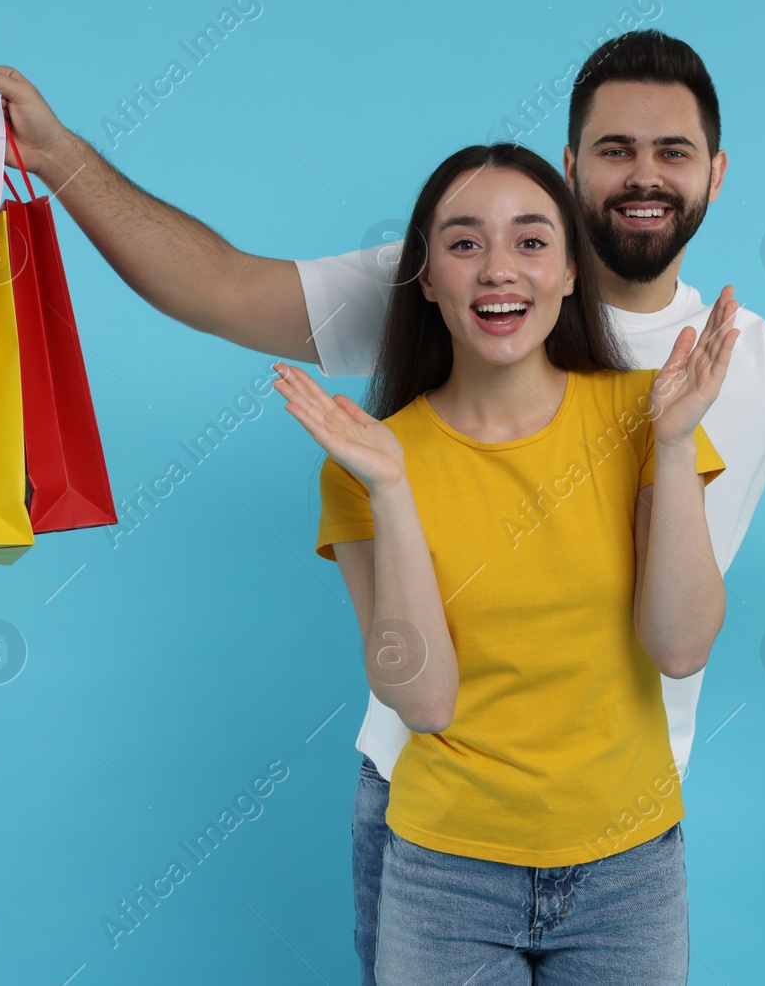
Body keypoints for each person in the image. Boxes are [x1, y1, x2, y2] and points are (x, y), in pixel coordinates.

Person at [0, 28, 765, 983]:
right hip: (434, 803)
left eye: (671, 152)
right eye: (612, 150)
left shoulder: (737, 363)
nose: (642, 177)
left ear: (713, 174)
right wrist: (62, 159)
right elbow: (221, 287)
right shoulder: (453, 286)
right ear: (569, 161)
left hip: (623, 829)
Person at [272, 141, 734, 982]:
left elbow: (680, 647)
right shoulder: (369, 457)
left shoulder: (645, 415)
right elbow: (425, 699)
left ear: (569, 273)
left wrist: (670, 447)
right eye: (462, 243)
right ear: (427, 278)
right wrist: (392, 488)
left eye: (530, 241)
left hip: (627, 870)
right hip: (445, 872)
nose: (497, 271)